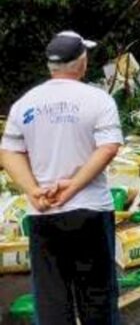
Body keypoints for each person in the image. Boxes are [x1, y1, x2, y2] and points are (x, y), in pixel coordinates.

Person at [0, 31, 124, 325]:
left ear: (50, 66)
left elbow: (8, 153)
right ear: (81, 61)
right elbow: (108, 148)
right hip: (90, 210)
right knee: (97, 296)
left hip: (43, 215)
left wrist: (34, 191)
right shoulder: (98, 100)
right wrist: (73, 186)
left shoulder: (24, 104)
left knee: (52, 299)